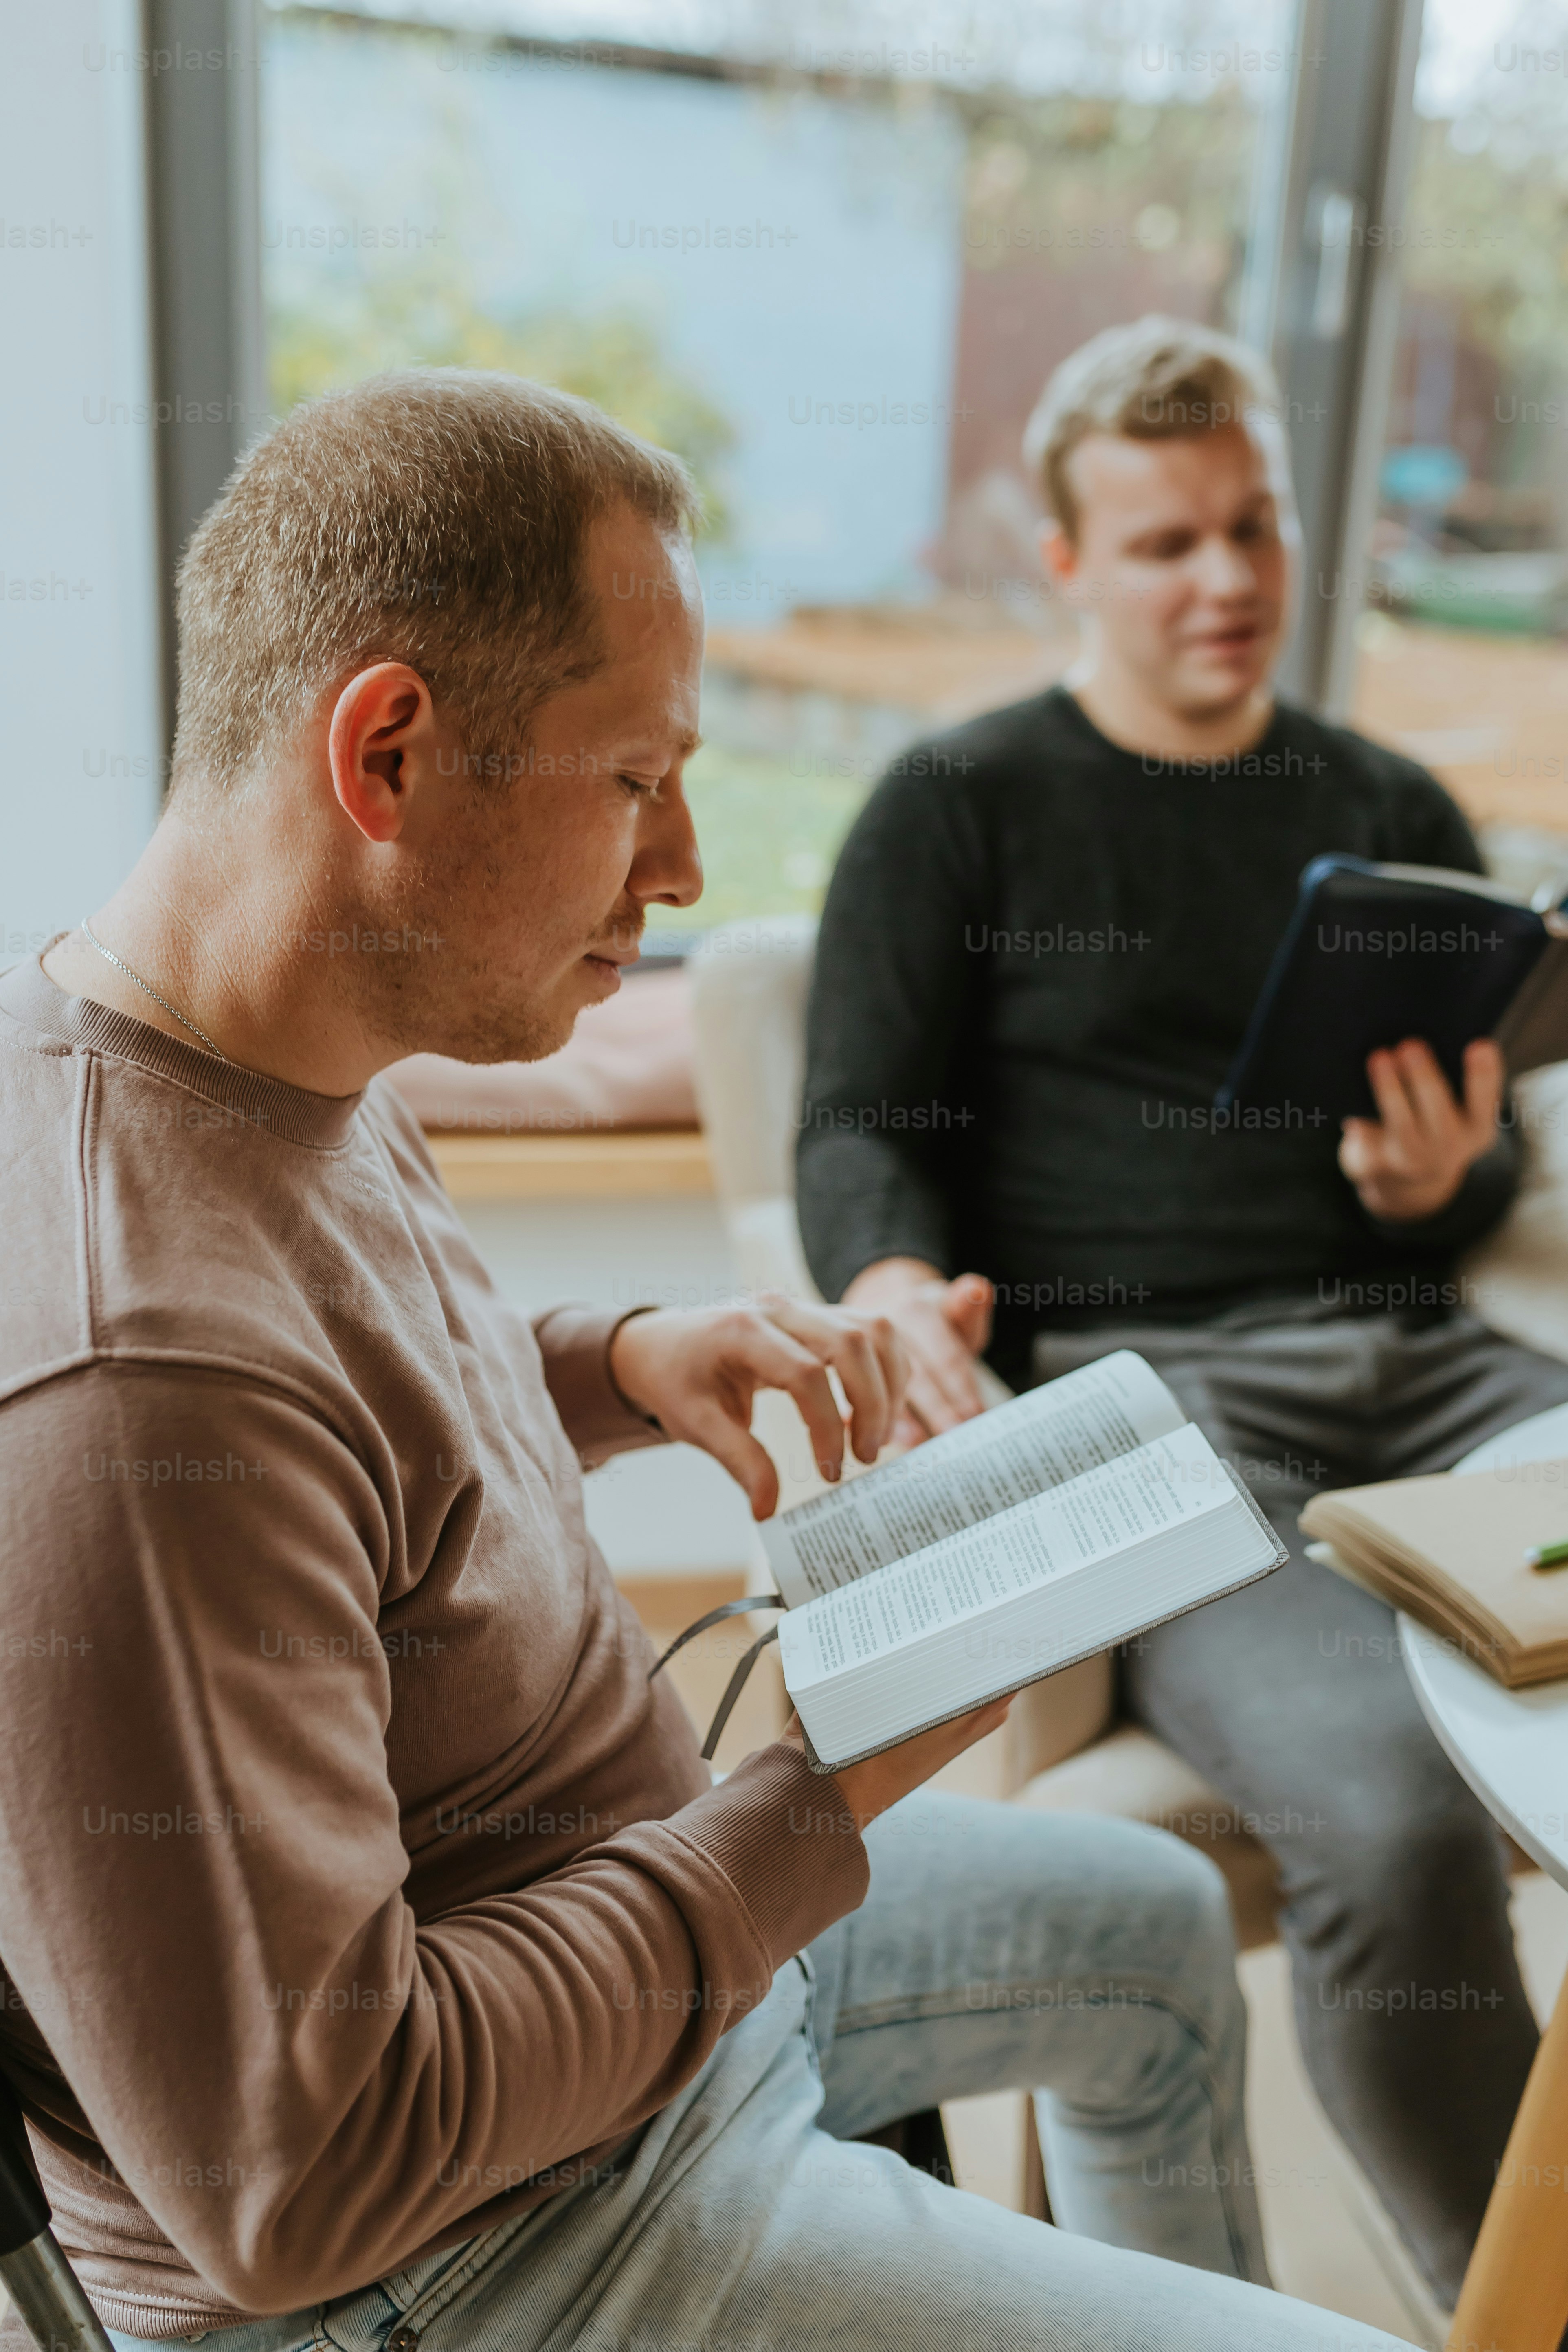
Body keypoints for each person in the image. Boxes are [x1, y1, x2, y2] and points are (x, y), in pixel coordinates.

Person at [0, 372, 1415, 2352]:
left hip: (634, 1928)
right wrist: (801, 1819)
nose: (678, 866)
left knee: (1159, 1923)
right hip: (484, 2241)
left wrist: (614, 1357)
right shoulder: (128, 1386)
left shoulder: (272, 1040)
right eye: (633, 775)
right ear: (388, 753)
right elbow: (300, 2177)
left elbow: (347, 1426)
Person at [798, 312, 1568, 2316]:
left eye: (1254, 527)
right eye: (1162, 545)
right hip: (1176, 1418)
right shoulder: (957, 806)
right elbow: (864, 1127)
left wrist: (1438, 1176)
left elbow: (1473, 1158)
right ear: (1063, 560)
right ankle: (1522, 2309)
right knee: (1395, 1830)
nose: (1224, 580)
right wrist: (892, 1286)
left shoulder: (1392, 800)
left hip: (1437, 1366)